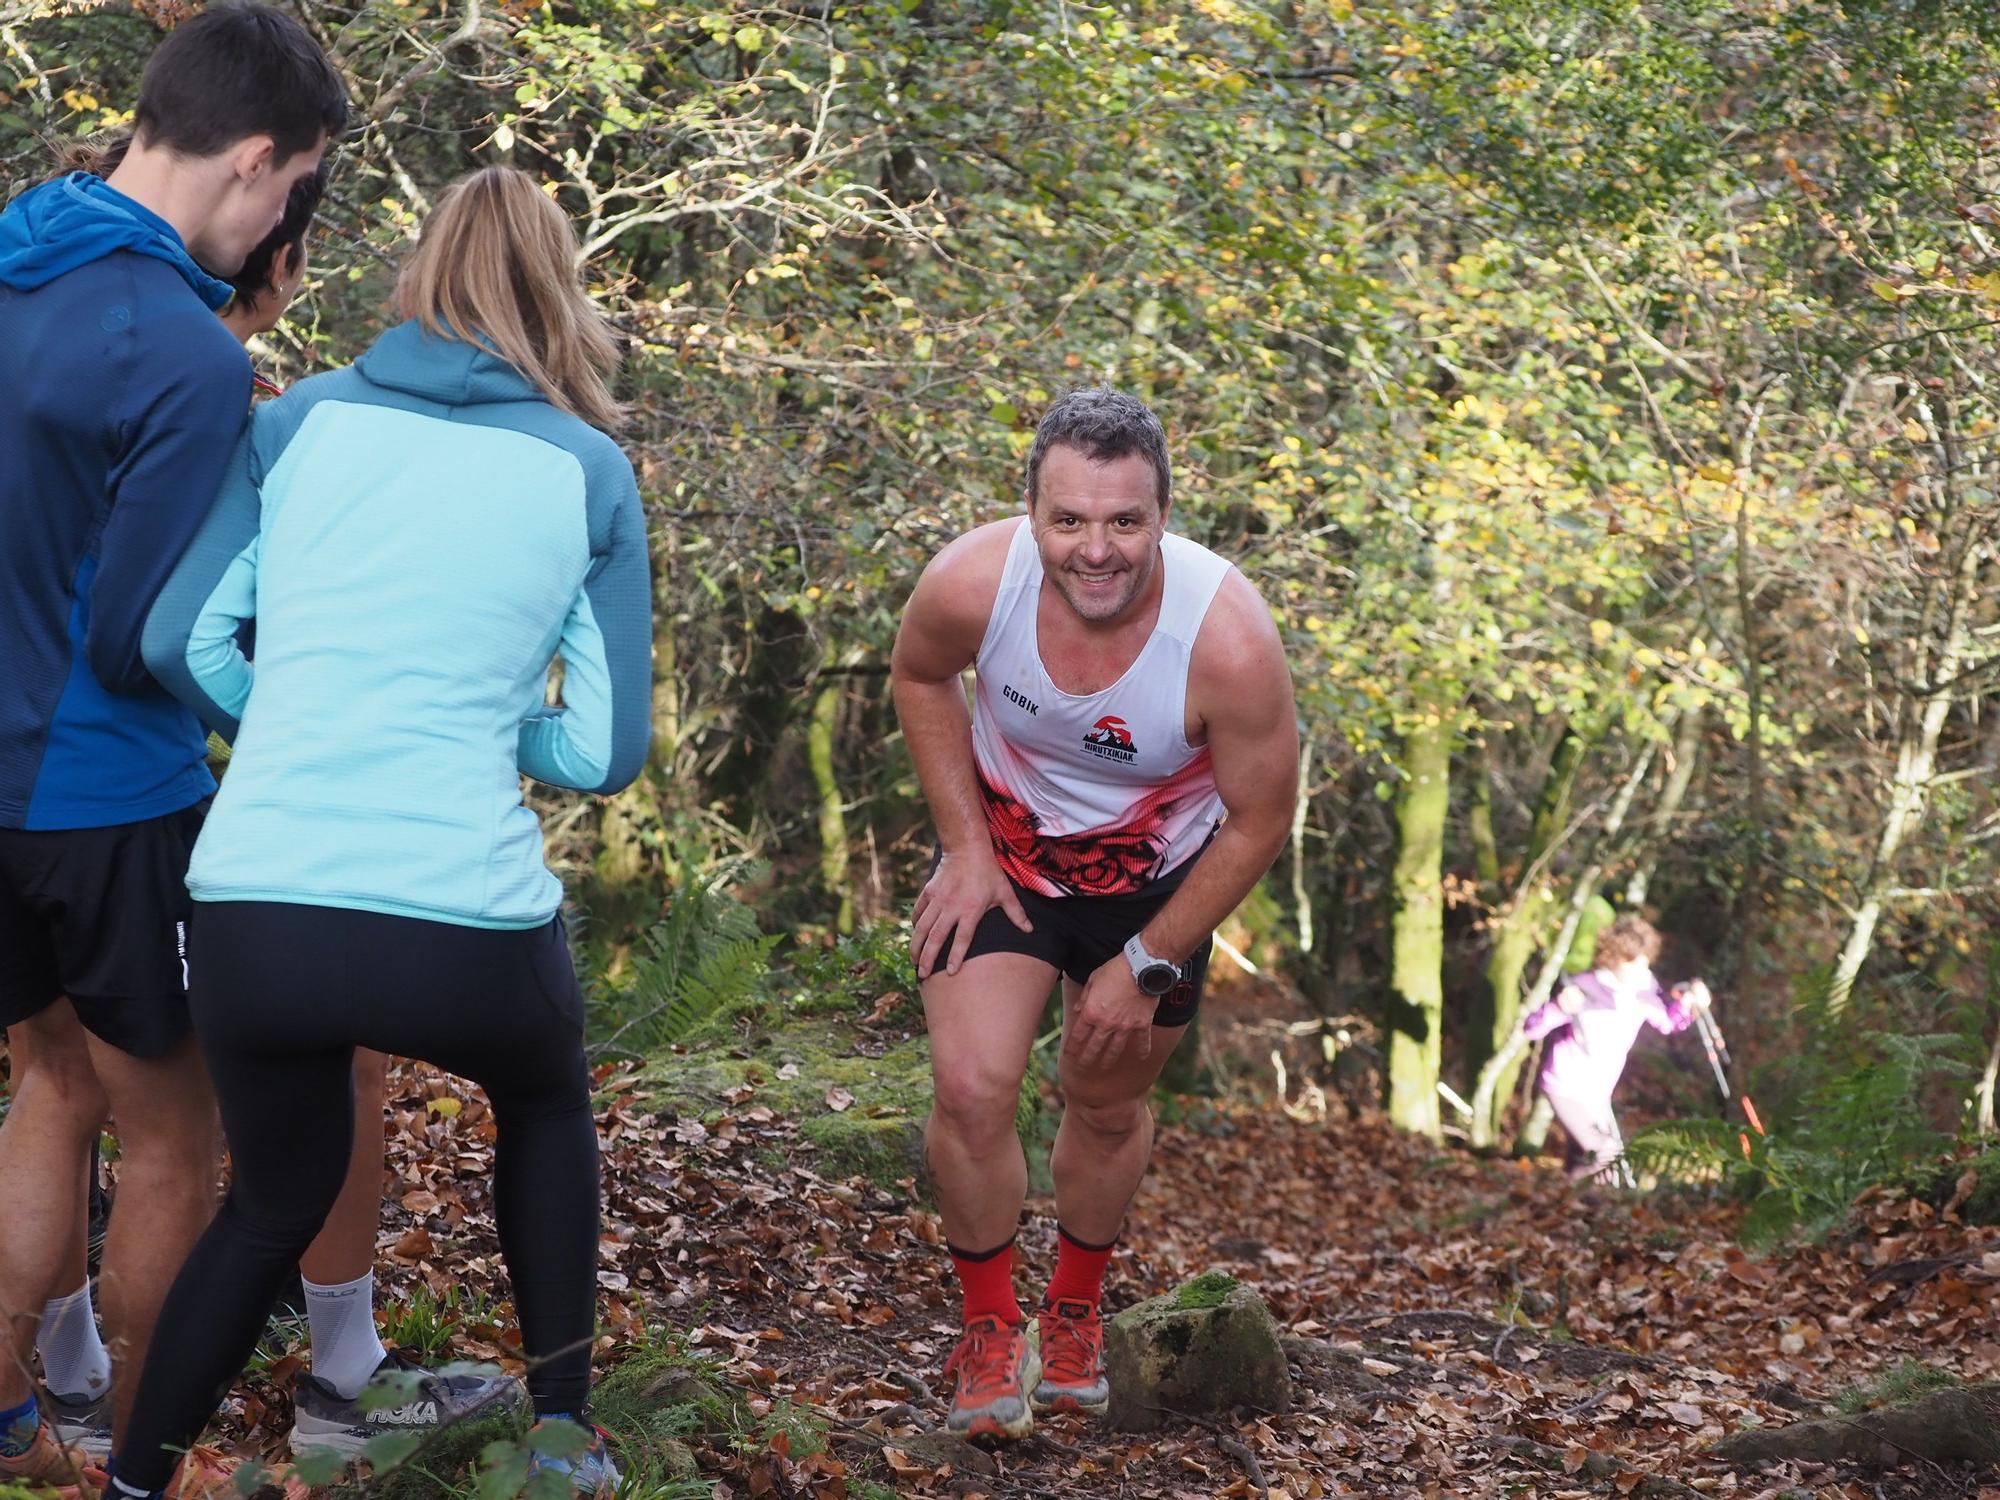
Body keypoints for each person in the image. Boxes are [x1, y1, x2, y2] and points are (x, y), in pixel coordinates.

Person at [107, 164, 650, 1500]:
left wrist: (299, 712)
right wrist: (486, 725)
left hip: (260, 906)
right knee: (543, 1100)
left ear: (419, 276)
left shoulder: (297, 422)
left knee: (268, 1202)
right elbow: (602, 751)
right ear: (559, 295)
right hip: (462, 925)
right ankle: (563, 1439)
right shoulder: (588, 472)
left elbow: (179, 642)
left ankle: (133, 1483)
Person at [0, 4, 345, 1483]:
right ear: (257, 159)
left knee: (48, 1084)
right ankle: (146, 1456)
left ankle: (11, 1424)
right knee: (170, 1133)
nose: (283, 225)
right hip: (106, 792)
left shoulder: (17, 249)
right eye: (297, 187)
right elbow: (144, 634)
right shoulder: (187, 360)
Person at [890, 388, 1298, 1440]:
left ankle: (1072, 1311)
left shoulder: (1227, 639)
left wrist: (1150, 958)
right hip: (1007, 863)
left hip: (1156, 894)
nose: (1096, 549)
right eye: (1068, 519)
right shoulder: (973, 582)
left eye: (1124, 520)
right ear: (1030, 511)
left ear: (1163, 516)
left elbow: (1261, 818)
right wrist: (964, 847)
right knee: (970, 1089)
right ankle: (991, 1331)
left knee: (1103, 1101)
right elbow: (921, 675)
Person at [1518, 914, 1711, 1182]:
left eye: (1644, 962)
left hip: (1598, 1094)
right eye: (1632, 962)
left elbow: (1669, 1023)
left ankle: (1569, 1202)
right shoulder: (1586, 987)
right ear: (1614, 958)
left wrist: (1690, 1003)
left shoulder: (1644, 991)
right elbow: (1531, 1028)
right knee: (1606, 1156)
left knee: (1587, 1166)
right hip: (1566, 1086)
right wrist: (1559, 1007)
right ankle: (1572, 1199)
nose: (1639, 970)